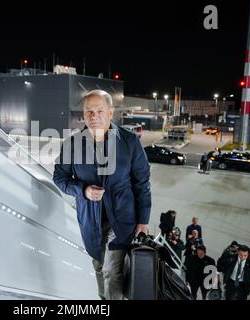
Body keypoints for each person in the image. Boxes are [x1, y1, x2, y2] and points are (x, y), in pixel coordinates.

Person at [53, 89, 152, 300]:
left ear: (110, 112)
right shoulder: (72, 144)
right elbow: (60, 178)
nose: (93, 116)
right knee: (99, 265)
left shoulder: (130, 142)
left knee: (112, 269)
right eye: (88, 111)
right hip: (91, 221)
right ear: (83, 113)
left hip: (122, 219)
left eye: (99, 110)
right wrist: (83, 190)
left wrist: (143, 219)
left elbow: (142, 182)